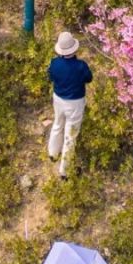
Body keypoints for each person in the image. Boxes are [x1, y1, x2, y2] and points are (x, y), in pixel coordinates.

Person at [47, 31, 92, 179]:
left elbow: (50, 77)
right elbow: (89, 78)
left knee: (57, 124)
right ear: (74, 49)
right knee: (70, 135)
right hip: (75, 102)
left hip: (58, 99)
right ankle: (64, 171)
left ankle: (53, 153)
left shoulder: (54, 63)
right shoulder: (80, 66)